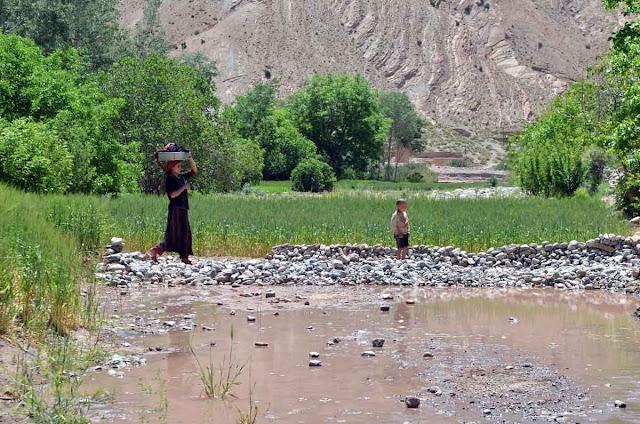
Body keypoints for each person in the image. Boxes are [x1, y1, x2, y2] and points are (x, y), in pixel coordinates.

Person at [147, 147, 197, 265]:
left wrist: (190, 158)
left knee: (185, 232)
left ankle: (184, 256)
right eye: (178, 166)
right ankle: (157, 250)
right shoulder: (170, 179)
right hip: (175, 210)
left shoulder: (182, 176)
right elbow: (173, 195)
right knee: (172, 233)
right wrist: (183, 187)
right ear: (172, 167)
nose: (180, 167)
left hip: (183, 208)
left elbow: (194, 170)